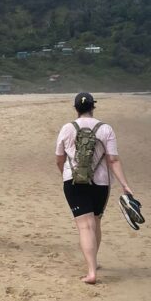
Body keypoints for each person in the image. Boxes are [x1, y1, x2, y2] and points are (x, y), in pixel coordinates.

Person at [55, 92, 134, 285]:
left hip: (73, 182)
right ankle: (94, 264)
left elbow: (59, 158)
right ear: (93, 107)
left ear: (76, 109)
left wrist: (65, 174)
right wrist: (125, 184)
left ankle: (91, 271)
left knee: (84, 225)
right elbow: (113, 159)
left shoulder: (67, 128)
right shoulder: (105, 129)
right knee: (96, 222)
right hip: (101, 183)